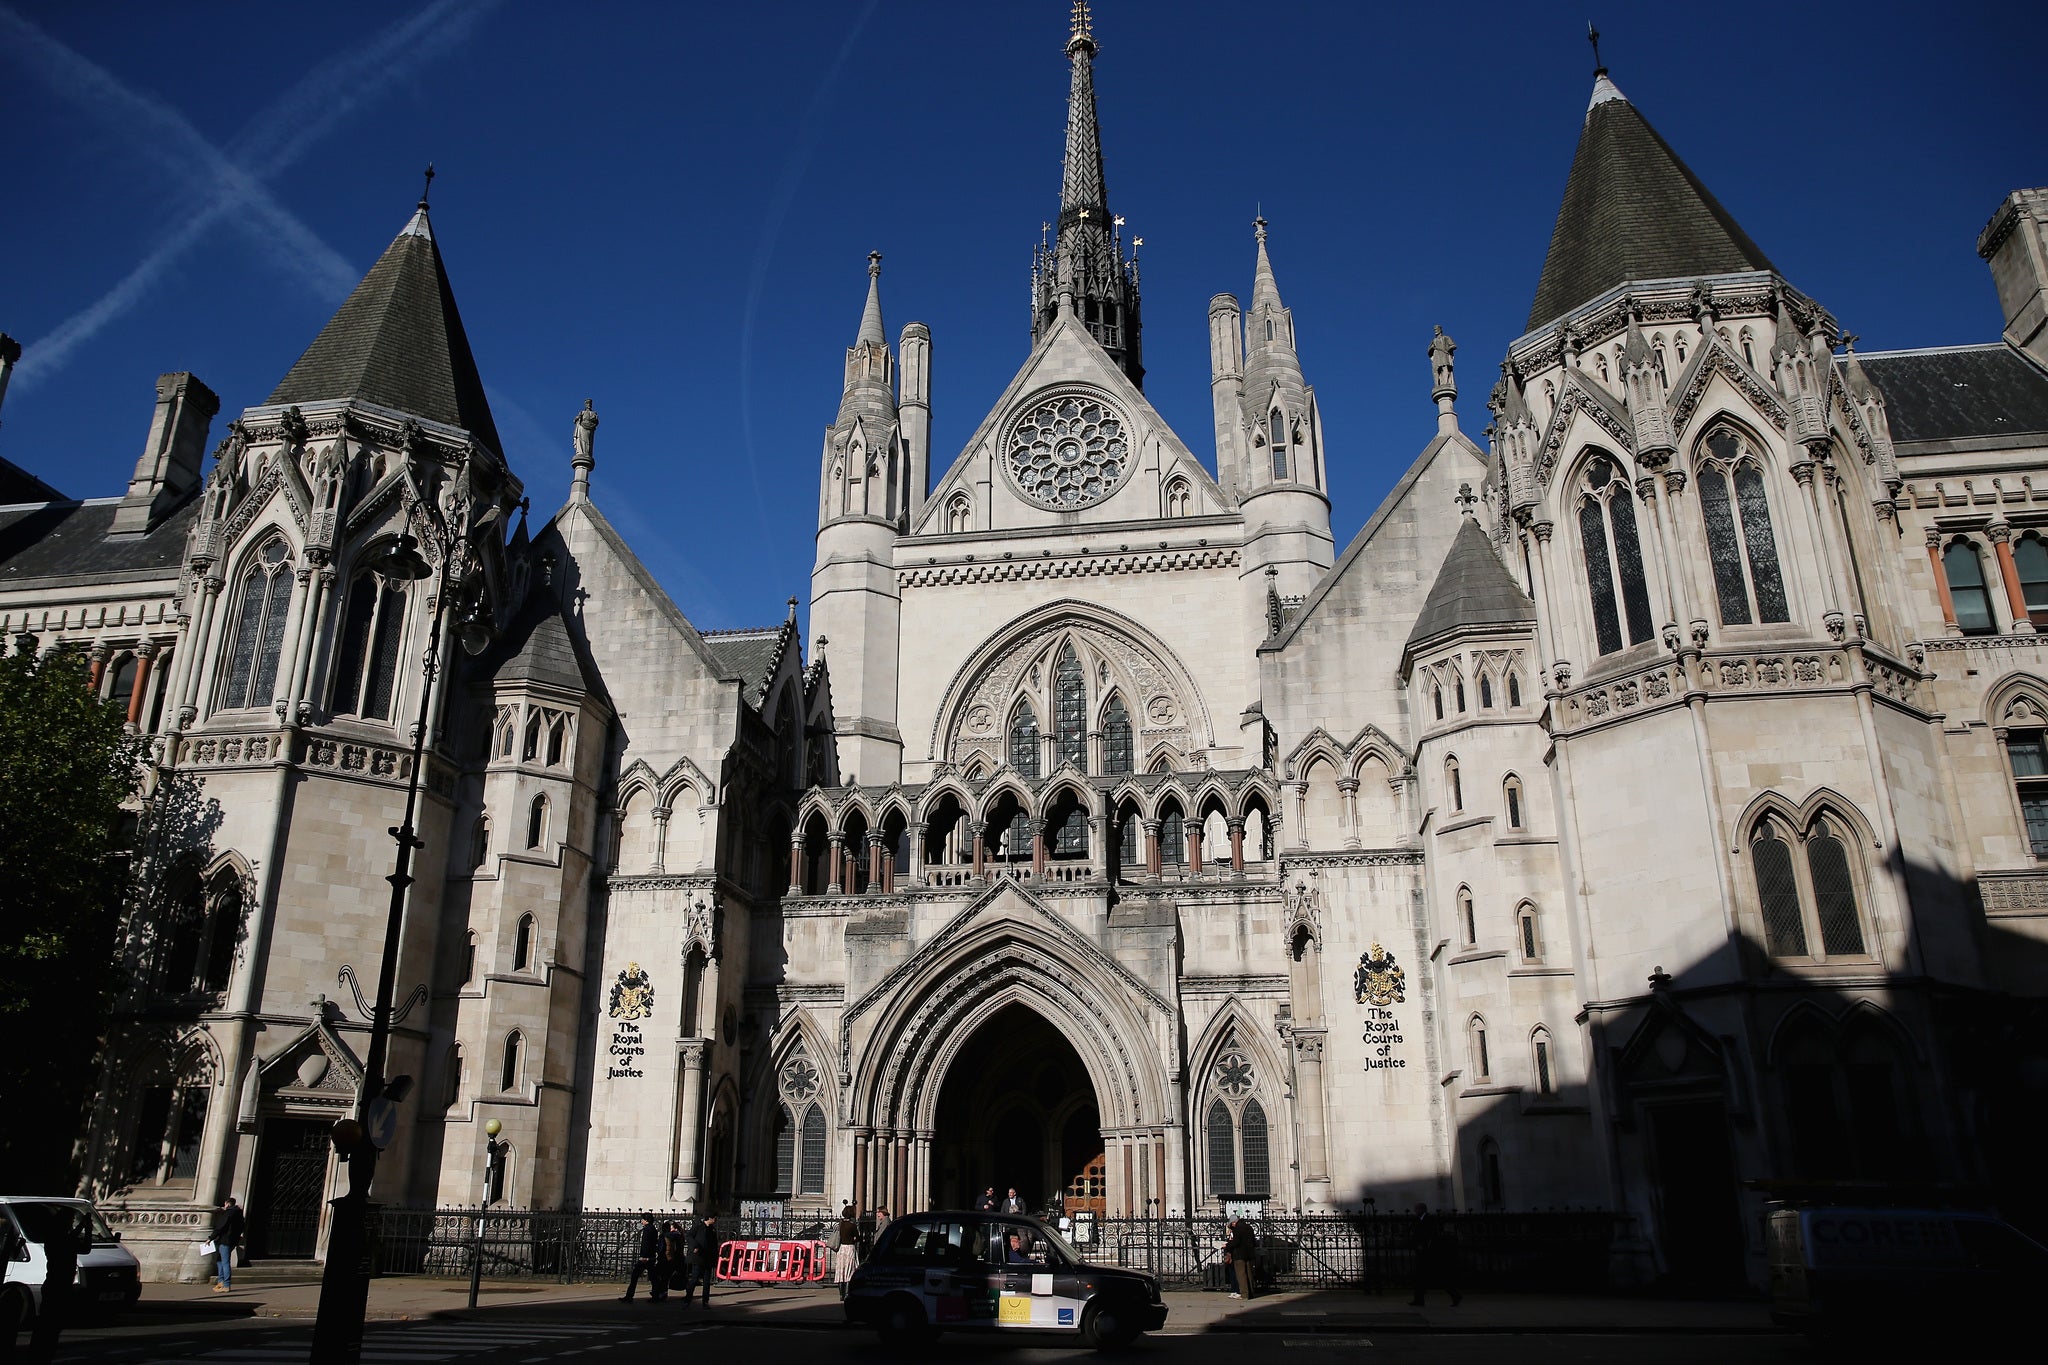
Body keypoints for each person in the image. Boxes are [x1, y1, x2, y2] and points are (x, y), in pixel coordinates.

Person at [27, 1206, 88, 1365]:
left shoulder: (54, 1237)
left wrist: (82, 1227)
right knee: (52, 1325)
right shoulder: (63, 1239)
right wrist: (86, 1228)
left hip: (54, 1284)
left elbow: (71, 1238)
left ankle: (38, 1353)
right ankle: (42, 1355)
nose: (72, 1224)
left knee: (47, 1324)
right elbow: (84, 1248)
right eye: (71, 1221)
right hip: (59, 1286)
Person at [1408, 1203, 1461, 1307]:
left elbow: (1430, 1235)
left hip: (1429, 1253)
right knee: (1421, 1277)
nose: (1415, 1211)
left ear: (1422, 1209)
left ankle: (1455, 1295)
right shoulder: (1418, 1220)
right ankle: (1419, 1300)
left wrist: (1423, 1245)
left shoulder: (1429, 1219)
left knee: (1436, 1276)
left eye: (1417, 1209)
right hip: (1422, 1253)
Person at [621, 1213, 660, 1301]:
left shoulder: (647, 1229)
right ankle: (656, 1295)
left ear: (646, 1220)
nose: (641, 1221)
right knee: (653, 1277)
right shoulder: (653, 1229)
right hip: (651, 1256)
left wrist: (644, 1256)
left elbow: (646, 1244)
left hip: (645, 1258)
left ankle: (629, 1296)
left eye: (642, 1219)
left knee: (635, 1276)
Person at [209, 1196, 244, 1293]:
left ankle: (226, 1284)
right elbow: (242, 1227)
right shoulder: (239, 1214)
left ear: (227, 1204)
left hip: (225, 1240)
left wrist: (211, 1238)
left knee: (225, 1262)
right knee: (220, 1260)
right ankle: (220, 1282)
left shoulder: (228, 1213)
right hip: (233, 1240)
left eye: (225, 1204)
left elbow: (221, 1227)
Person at [686, 1213, 718, 1307]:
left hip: (708, 1258)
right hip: (699, 1257)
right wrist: (694, 1246)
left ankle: (705, 1301)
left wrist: (715, 1256)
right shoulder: (699, 1227)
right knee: (694, 1279)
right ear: (710, 1218)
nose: (715, 1220)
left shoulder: (712, 1229)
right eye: (715, 1218)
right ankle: (688, 1299)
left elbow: (713, 1244)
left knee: (707, 1281)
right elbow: (689, 1236)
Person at [1225, 1217, 1258, 1300]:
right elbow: (1254, 1241)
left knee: (1241, 1275)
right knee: (1249, 1274)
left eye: (1232, 1224)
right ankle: (1251, 1293)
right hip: (1250, 1254)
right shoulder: (1249, 1228)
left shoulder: (1237, 1229)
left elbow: (1235, 1242)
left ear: (1234, 1222)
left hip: (1239, 1254)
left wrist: (1227, 1246)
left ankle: (1244, 1294)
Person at [834, 1205, 860, 1297]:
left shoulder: (840, 1225)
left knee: (841, 1272)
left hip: (841, 1249)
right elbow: (857, 1238)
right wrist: (854, 1238)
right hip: (850, 1249)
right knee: (849, 1272)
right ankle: (847, 1294)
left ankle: (841, 1294)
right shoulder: (852, 1226)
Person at [659, 1220, 687, 1301]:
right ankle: (688, 1293)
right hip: (679, 1257)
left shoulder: (672, 1235)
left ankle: (662, 1292)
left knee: (665, 1276)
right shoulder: (680, 1235)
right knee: (680, 1275)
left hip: (673, 1258)